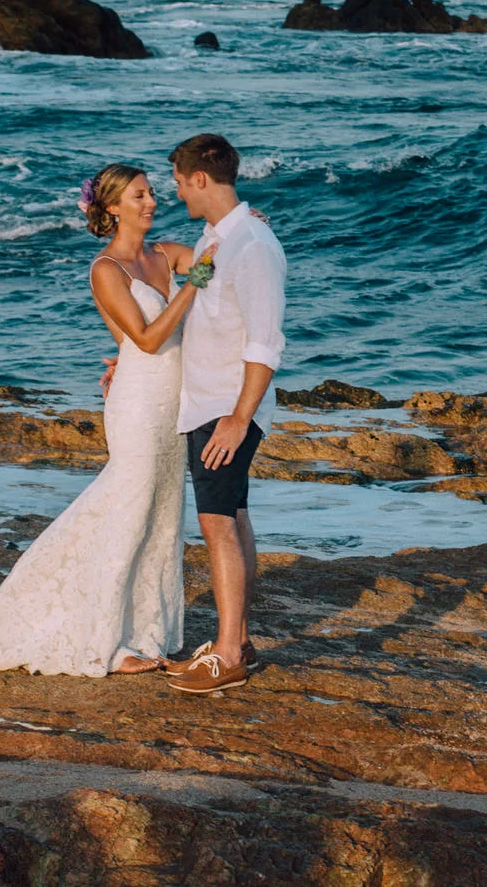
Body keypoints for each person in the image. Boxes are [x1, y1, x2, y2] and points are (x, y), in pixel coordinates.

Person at [0, 164, 210, 676]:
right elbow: (148, 338)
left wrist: (244, 222)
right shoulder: (106, 269)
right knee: (127, 511)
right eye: (139, 195)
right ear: (113, 208)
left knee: (161, 516)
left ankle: (142, 632)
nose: (151, 202)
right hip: (137, 404)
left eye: (153, 193)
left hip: (172, 404)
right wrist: (193, 285)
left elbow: (213, 251)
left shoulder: (163, 255)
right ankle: (103, 642)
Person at [160, 132, 286, 696]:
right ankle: (239, 639)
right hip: (211, 403)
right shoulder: (220, 236)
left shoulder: (252, 245)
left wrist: (239, 418)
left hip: (225, 408)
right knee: (230, 516)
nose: (178, 192)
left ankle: (229, 654)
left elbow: (265, 342)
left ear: (201, 179)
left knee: (216, 525)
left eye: (181, 183)